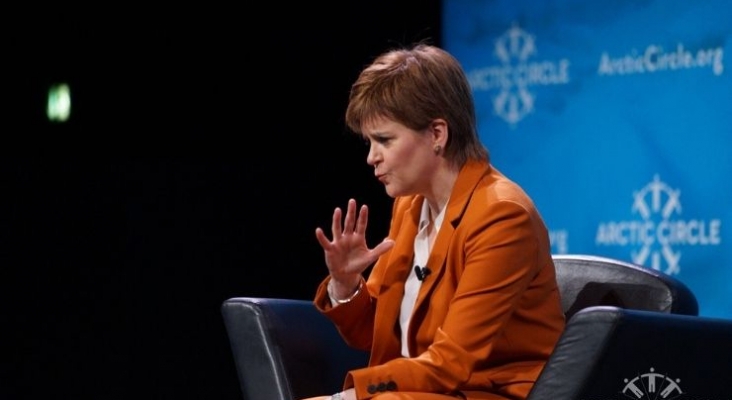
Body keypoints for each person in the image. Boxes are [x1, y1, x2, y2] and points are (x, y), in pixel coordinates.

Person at [306, 43, 565, 400]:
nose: (371, 158)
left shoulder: (502, 216)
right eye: (369, 142)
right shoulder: (410, 206)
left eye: (384, 140)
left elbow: (451, 364)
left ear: (437, 135)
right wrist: (346, 284)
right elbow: (371, 337)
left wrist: (349, 397)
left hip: (488, 392)